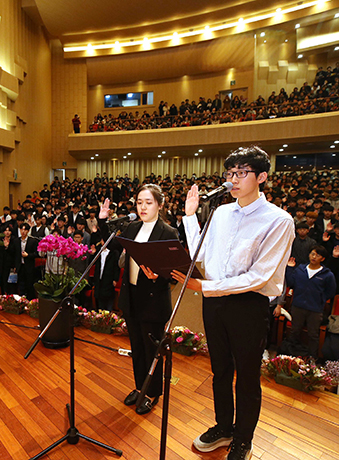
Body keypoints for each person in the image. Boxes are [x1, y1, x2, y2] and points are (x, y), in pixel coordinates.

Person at [174, 146, 294, 460]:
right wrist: (190, 218)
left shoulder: (278, 220)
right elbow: (200, 254)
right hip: (214, 304)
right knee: (220, 370)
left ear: (262, 177)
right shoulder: (221, 212)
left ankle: (244, 438)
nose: (234, 179)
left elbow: (259, 276)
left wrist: (208, 286)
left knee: (248, 376)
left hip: (248, 306)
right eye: (230, 173)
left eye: (242, 173)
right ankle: (223, 427)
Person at [98, 184, 179, 415]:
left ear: (160, 205)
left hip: (153, 300)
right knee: (136, 348)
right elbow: (114, 246)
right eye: (139, 202)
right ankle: (139, 387)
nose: (143, 207)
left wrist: (159, 277)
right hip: (131, 297)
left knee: (152, 350)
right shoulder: (133, 227)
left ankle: (152, 393)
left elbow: (173, 272)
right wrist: (103, 222)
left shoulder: (168, 232)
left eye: (148, 202)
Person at [285, 246, 337, 357]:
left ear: (322, 259)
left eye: (318, 255)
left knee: (313, 334)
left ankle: (312, 358)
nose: (314, 257)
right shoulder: (300, 269)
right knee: (294, 331)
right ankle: (291, 356)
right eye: (313, 254)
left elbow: (331, 291)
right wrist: (289, 268)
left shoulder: (327, 274)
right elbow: (290, 283)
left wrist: (320, 299)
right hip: (298, 306)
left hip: (315, 309)